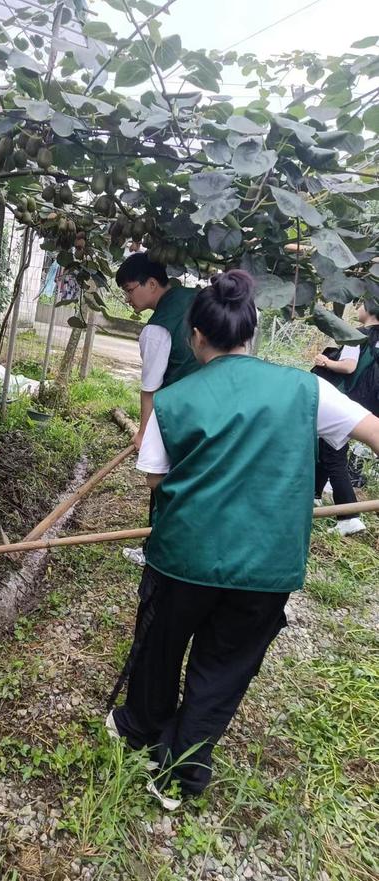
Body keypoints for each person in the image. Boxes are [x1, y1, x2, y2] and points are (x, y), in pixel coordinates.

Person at [106, 271, 379, 810]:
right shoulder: (307, 388)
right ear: (250, 334)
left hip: (182, 558)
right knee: (222, 670)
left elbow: (157, 482)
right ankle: (178, 777)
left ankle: (140, 728)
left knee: (160, 649)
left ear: (197, 337)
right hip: (265, 569)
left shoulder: (174, 400)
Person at [115, 252, 200, 566]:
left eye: (129, 289)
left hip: (179, 415)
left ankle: (156, 550)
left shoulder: (156, 330)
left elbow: (149, 392)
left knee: (161, 479)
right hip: (220, 406)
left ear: (152, 283)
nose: (127, 297)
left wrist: (144, 434)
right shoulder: (200, 298)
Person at [313, 297, 379, 535]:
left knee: (333, 456)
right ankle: (315, 494)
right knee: (328, 446)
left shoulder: (356, 335)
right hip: (369, 407)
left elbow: (349, 366)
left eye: (361, 303)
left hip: (347, 401)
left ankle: (349, 517)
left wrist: (326, 361)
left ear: (370, 309)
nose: (358, 307)